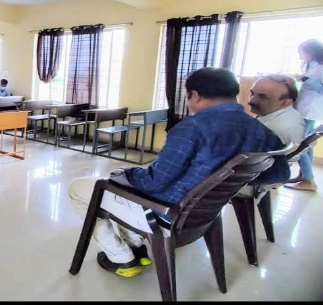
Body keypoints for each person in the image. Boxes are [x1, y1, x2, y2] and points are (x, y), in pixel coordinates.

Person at [67, 67, 289, 278]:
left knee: (80, 187)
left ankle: (120, 257)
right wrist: (227, 183)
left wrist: (126, 174)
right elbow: (278, 175)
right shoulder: (259, 130)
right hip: (205, 213)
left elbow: (154, 183)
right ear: (235, 93)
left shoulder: (192, 128)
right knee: (121, 180)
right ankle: (136, 246)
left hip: (166, 212)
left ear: (194, 95)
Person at [285, 39, 323, 191]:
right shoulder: (315, 65)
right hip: (307, 110)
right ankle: (304, 176)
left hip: (310, 112)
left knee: (299, 146)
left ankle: (309, 180)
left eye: (302, 54)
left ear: (311, 52)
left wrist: (306, 79)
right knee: (308, 145)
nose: (301, 57)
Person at [248, 74, 305, 146]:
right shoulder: (292, 114)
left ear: (286, 102)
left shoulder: (271, 130)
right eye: (252, 93)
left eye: (263, 96)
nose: (252, 100)